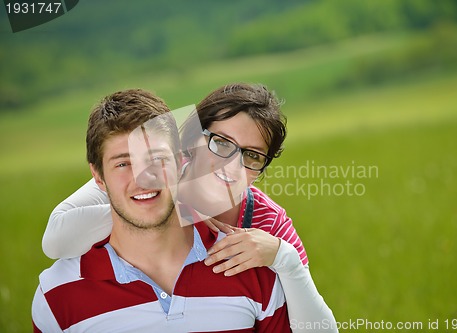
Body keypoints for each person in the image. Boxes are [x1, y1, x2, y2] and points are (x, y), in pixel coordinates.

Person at [42, 83, 337, 332]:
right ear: (191, 140)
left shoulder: (266, 221)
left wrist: (284, 258)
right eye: (222, 143)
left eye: (252, 155)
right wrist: (161, 209)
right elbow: (55, 240)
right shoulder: (144, 171)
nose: (232, 165)